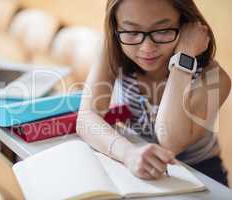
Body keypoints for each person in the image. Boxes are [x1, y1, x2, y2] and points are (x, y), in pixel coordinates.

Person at [76, 0, 231, 186]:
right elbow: (86, 117)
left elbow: (170, 142)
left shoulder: (214, 77)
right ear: (116, 28)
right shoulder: (113, 49)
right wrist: (128, 153)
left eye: (162, 31)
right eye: (132, 32)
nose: (147, 48)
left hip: (200, 173)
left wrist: (183, 60)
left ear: (185, 24)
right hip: (138, 160)